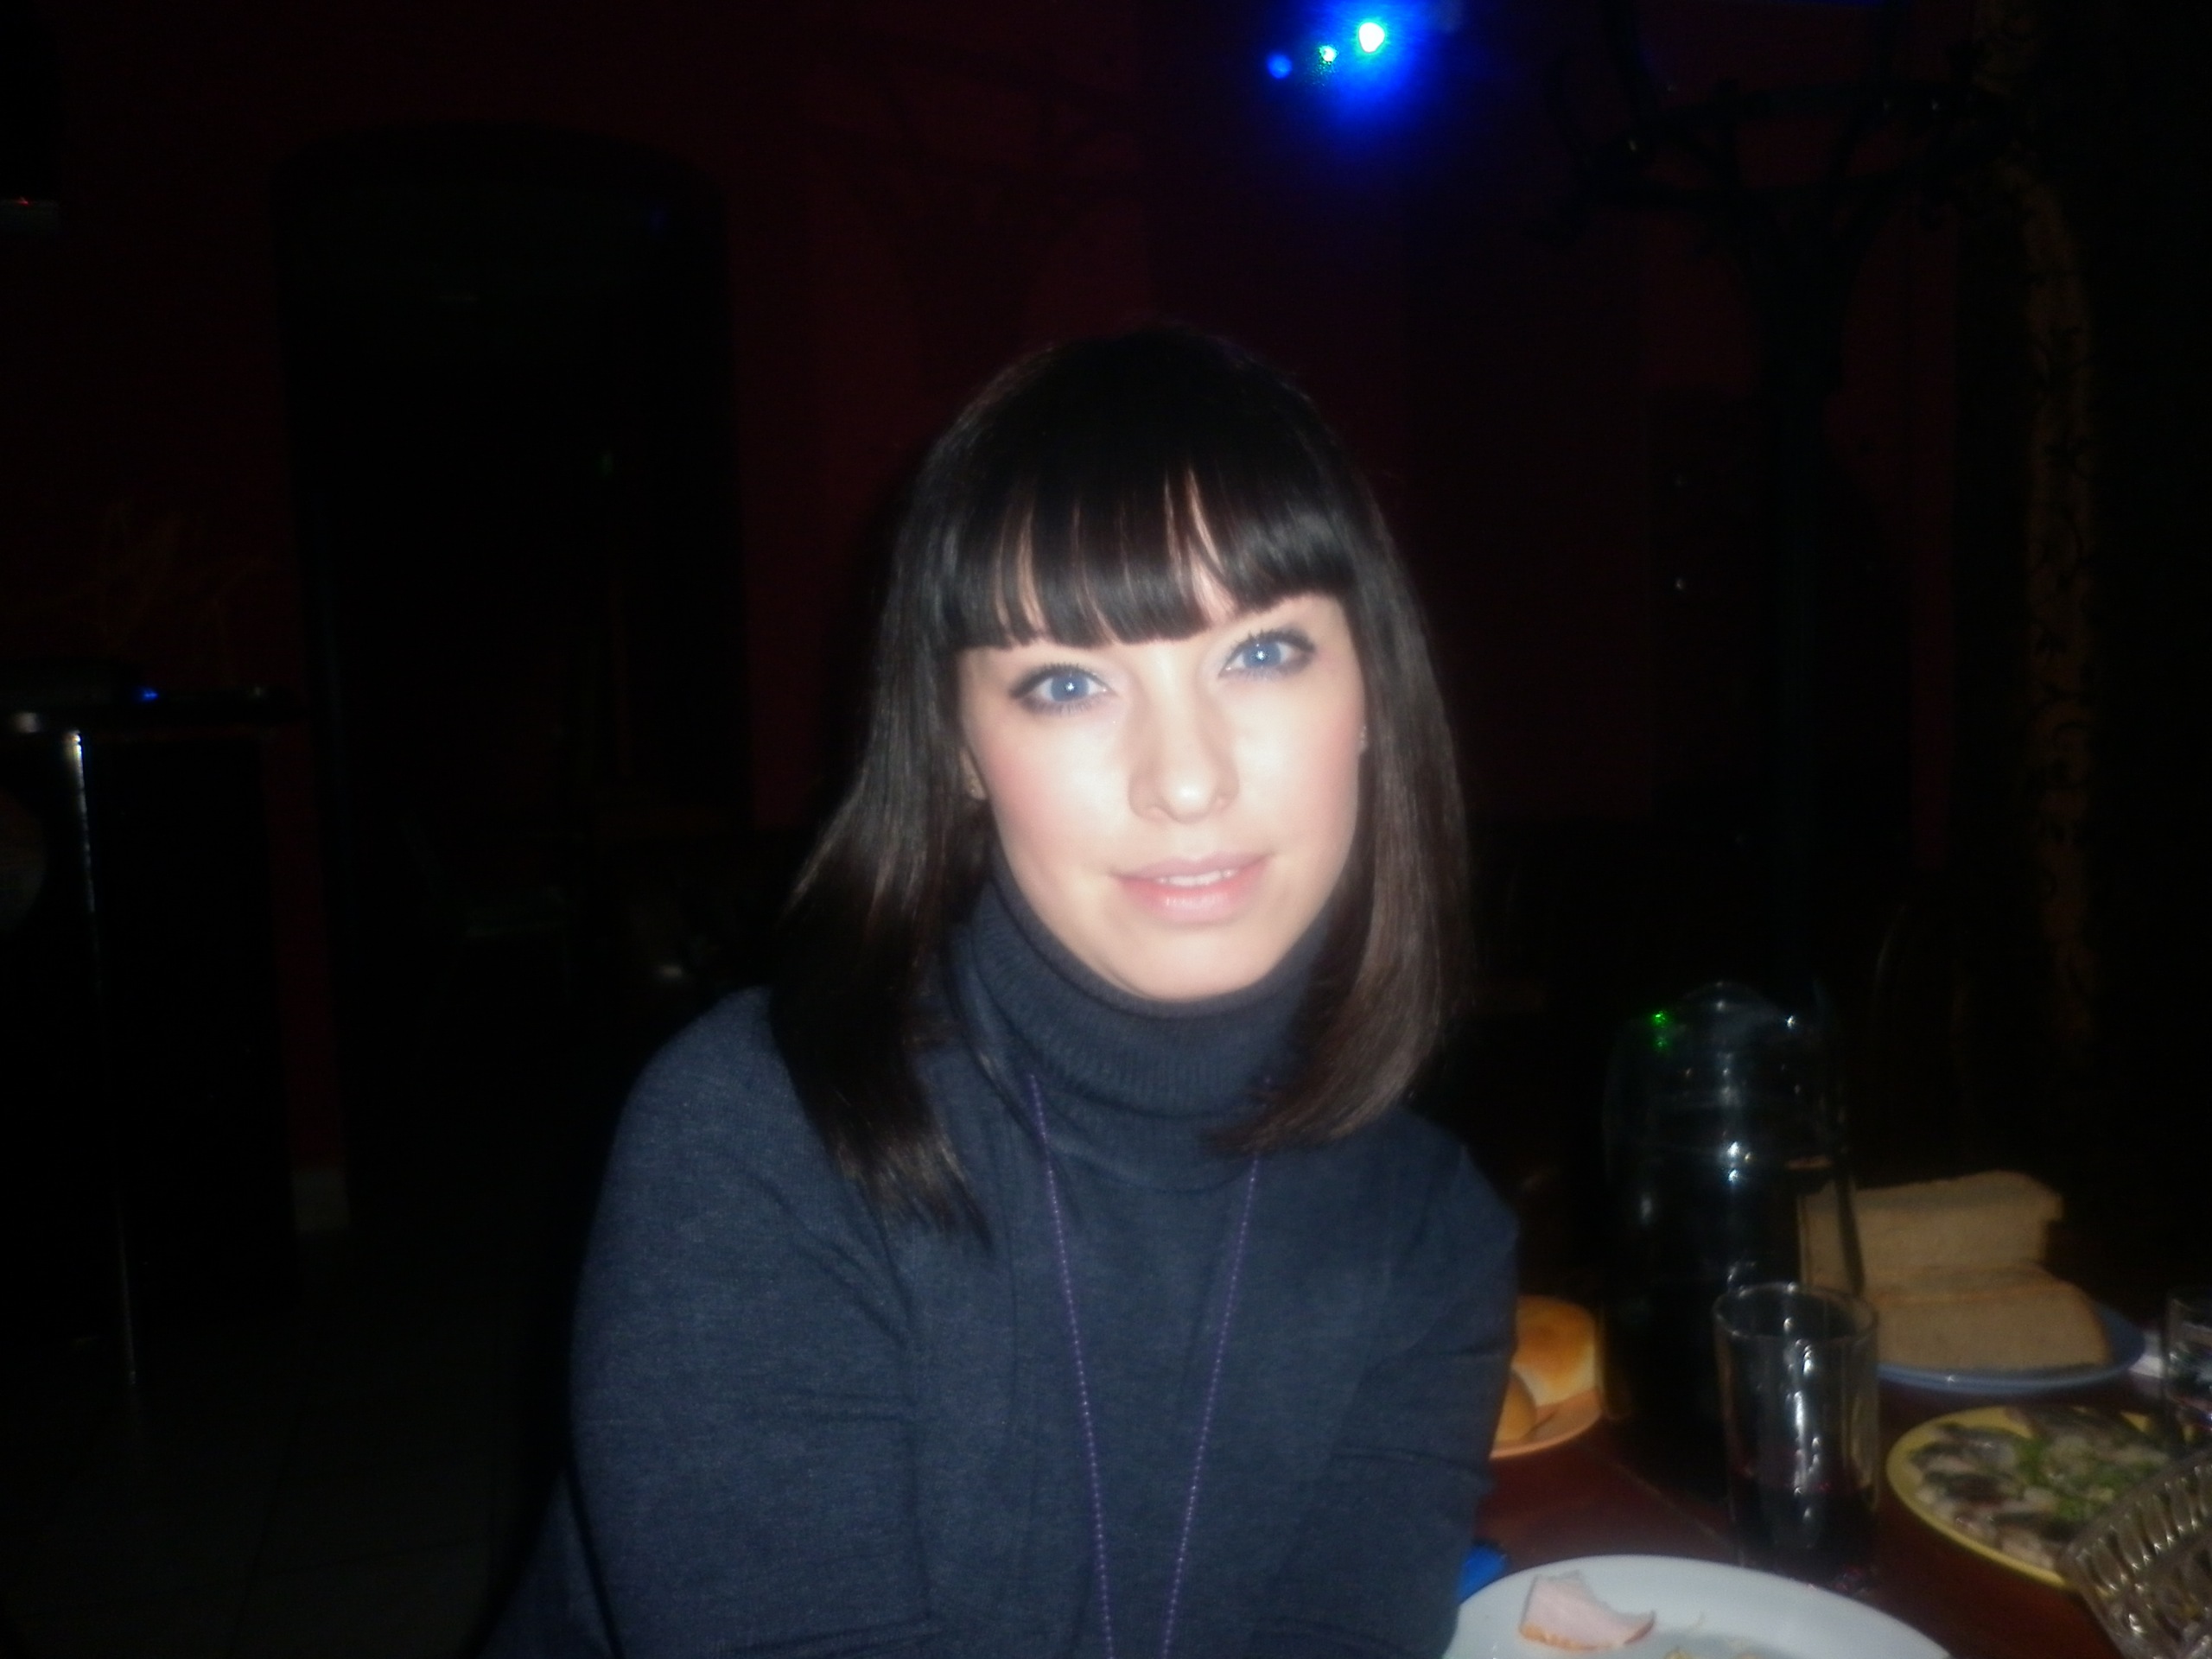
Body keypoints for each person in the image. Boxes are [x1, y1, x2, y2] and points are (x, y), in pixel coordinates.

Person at [485, 328, 1517, 1659]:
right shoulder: (757, 1145)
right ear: (963, 749)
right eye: (1068, 684)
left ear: (1371, 688)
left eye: (1261, 654)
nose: (1185, 779)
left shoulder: (1431, 1235)